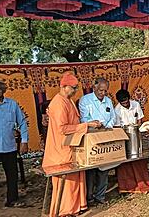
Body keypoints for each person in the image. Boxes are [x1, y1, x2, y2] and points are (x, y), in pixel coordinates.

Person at [42, 72, 101, 216]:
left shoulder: (67, 100)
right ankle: (65, 211)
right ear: (64, 86)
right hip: (60, 150)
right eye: (73, 88)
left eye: (76, 88)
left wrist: (89, 125)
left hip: (71, 147)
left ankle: (75, 208)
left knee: (76, 179)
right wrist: (86, 125)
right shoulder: (59, 103)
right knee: (67, 183)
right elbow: (63, 128)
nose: (75, 91)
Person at [0, 80, 29, 215]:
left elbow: (22, 122)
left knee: (13, 176)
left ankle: (12, 200)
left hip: (10, 148)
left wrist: (24, 141)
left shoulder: (12, 105)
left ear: (4, 90)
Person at [79, 77, 116, 206]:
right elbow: (84, 118)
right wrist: (94, 124)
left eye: (105, 91)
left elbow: (113, 117)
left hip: (105, 134)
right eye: (100, 90)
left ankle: (100, 196)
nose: (102, 93)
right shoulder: (85, 100)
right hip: (91, 135)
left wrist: (107, 125)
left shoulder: (108, 101)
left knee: (104, 167)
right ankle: (88, 197)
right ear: (94, 87)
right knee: (91, 169)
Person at [114, 89, 149, 194]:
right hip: (125, 135)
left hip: (136, 133)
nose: (125, 104)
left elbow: (140, 119)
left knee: (139, 159)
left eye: (126, 101)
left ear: (129, 98)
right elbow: (117, 126)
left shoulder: (136, 104)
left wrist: (137, 129)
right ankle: (127, 187)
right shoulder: (117, 110)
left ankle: (143, 185)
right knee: (126, 161)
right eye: (123, 103)